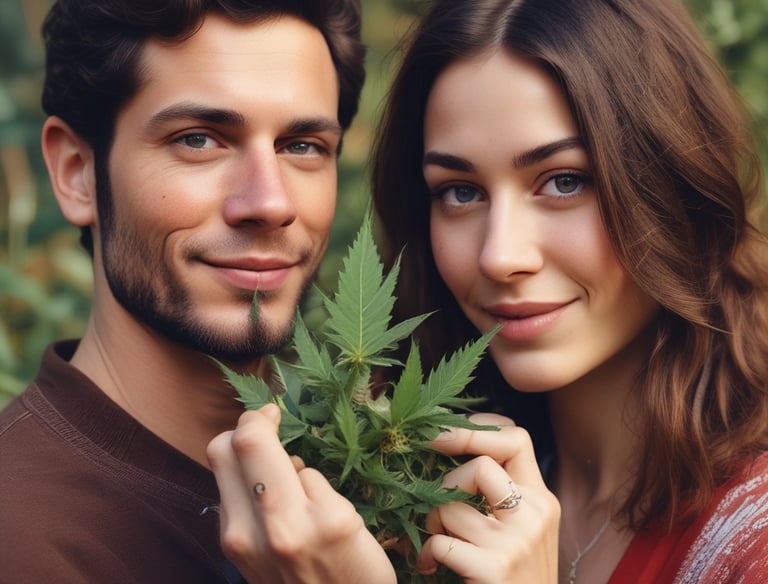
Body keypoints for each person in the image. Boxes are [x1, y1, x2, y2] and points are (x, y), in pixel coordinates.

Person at [369, 0, 768, 581]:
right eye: (460, 192)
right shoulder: (426, 495)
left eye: (563, 181)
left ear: (674, 186)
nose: (500, 255)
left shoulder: (752, 544)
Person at [0, 1, 399, 582]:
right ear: (77, 173)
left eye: (302, 146)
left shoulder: (385, 484)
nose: (270, 203)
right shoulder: (24, 542)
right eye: (199, 140)